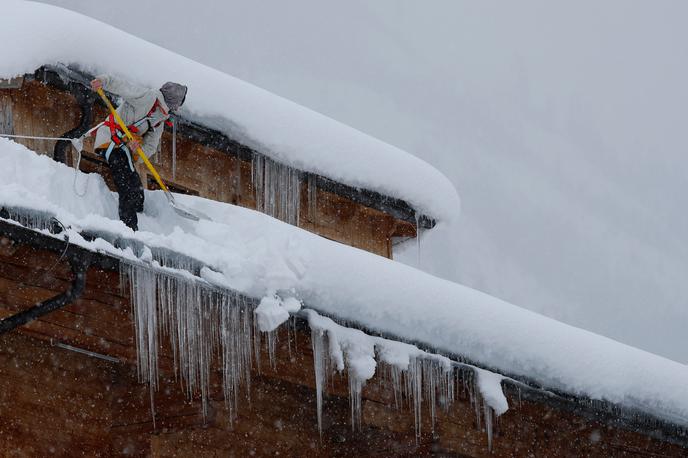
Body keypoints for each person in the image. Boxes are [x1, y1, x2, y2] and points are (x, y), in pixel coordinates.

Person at [85, 75, 187, 231]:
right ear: (173, 102)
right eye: (179, 104)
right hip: (110, 139)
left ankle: (141, 215)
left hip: (125, 149)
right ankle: (129, 227)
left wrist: (137, 152)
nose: (178, 109)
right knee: (125, 183)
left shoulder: (160, 120)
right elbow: (124, 86)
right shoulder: (148, 97)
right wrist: (104, 82)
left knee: (136, 188)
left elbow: (151, 146)